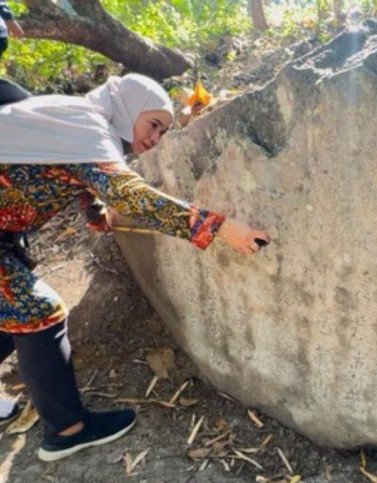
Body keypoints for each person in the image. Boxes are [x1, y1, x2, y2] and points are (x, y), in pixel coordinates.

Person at [0, 73, 271, 461]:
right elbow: (130, 196)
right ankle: (66, 430)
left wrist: (94, 213)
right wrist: (222, 227)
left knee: (14, 312)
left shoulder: (75, 119)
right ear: (127, 108)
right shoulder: (88, 127)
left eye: (164, 131)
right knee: (39, 312)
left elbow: (55, 168)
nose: (155, 138)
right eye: (153, 124)